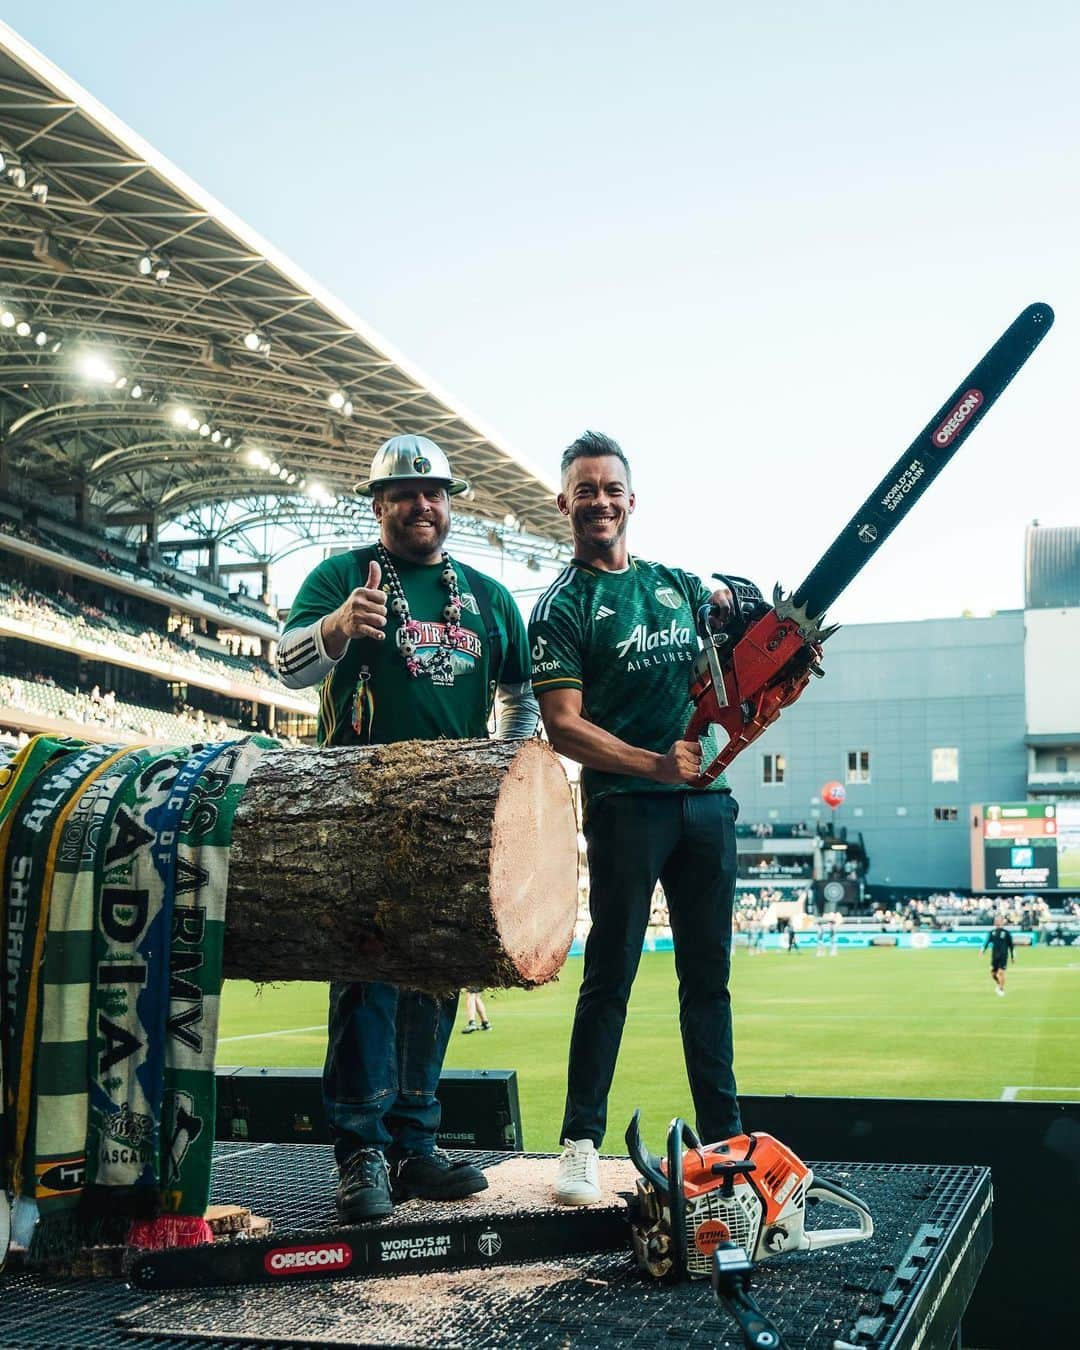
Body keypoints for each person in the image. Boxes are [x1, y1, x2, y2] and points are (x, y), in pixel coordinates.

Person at [276, 434, 537, 1222]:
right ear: (378, 504)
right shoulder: (339, 576)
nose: (422, 504)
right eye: (405, 492)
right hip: (359, 806)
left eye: (435, 491)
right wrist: (334, 631)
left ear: (449, 501)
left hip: (453, 816)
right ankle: (360, 1152)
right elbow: (283, 667)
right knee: (366, 981)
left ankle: (416, 1146)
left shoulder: (490, 599)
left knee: (437, 975)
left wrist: (506, 769)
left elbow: (519, 697)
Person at [528, 429, 744, 1207]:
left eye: (610, 488)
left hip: (708, 805)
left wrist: (737, 601)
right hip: (627, 808)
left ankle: (727, 1146)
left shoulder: (673, 584)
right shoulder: (560, 605)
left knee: (708, 985)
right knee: (609, 977)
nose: (599, 501)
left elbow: (733, 623)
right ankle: (580, 1144)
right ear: (565, 504)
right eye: (584, 489)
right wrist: (655, 764)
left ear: (631, 498)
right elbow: (562, 726)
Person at [983, 917, 1014, 996]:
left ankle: (1001, 989)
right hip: (994, 956)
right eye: (996, 921)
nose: (997, 922)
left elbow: (1011, 946)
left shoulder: (1006, 933)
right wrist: (983, 950)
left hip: (1003, 956)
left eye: (999, 921)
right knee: (993, 973)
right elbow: (986, 942)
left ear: (1002, 922)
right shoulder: (992, 932)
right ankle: (998, 984)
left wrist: (1012, 957)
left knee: (1001, 973)